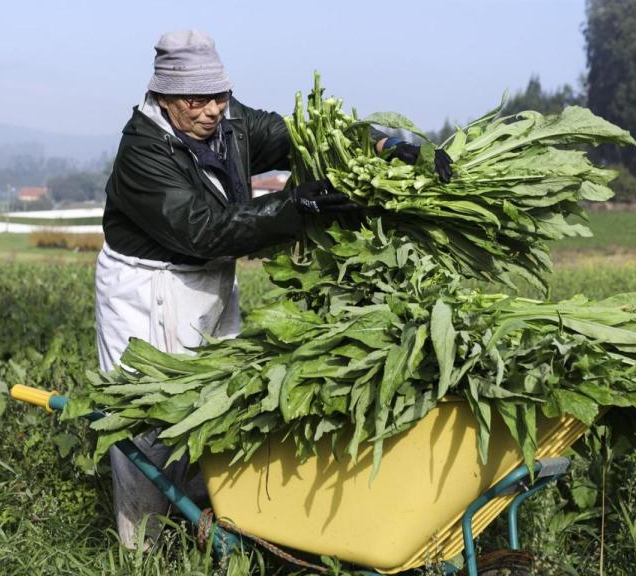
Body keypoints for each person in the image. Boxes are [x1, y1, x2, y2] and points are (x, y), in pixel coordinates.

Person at [94, 29, 452, 547]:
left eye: (220, 94)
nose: (213, 109)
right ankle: (144, 546)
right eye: (197, 99)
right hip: (151, 286)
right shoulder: (143, 152)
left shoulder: (231, 122)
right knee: (149, 420)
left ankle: (203, 529)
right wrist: (293, 208)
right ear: (165, 96)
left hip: (210, 276)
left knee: (215, 405)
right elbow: (202, 230)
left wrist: (386, 144)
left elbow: (304, 137)